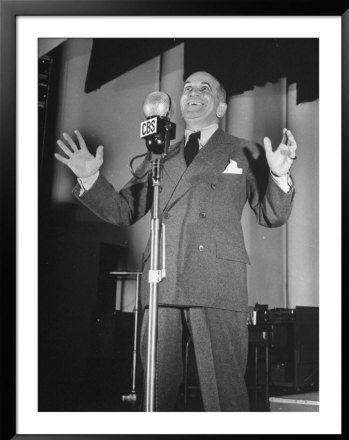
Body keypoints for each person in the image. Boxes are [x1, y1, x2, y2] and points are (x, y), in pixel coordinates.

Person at [55, 71, 297, 412]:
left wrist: (279, 174)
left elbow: (272, 214)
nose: (193, 92)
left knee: (224, 393)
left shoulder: (246, 151)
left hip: (217, 280)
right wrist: (90, 177)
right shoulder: (159, 155)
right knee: (155, 389)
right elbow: (124, 210)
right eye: (187, 88)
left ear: (222, 106)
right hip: (162, 280)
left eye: (204, 88)